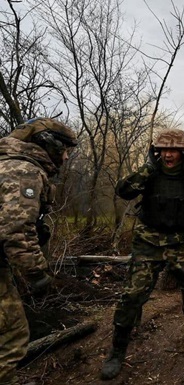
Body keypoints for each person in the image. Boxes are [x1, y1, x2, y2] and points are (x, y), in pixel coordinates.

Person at [100, 128, 184, 381]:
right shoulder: (150, 172)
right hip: (149, 242)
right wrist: (147, 168)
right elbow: (123, 191)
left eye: (174, 150)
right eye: (163, 149)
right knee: (132, 295)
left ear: (183, 152)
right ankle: (117, 350)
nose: (168, 155)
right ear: (157, 151)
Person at [0, 118, 78, 385]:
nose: (66, 157)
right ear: (48, 144)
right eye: (65, 149)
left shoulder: (6, 163)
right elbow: (16, 231)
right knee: (12, 335)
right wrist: (38, 275)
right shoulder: (23, 170)